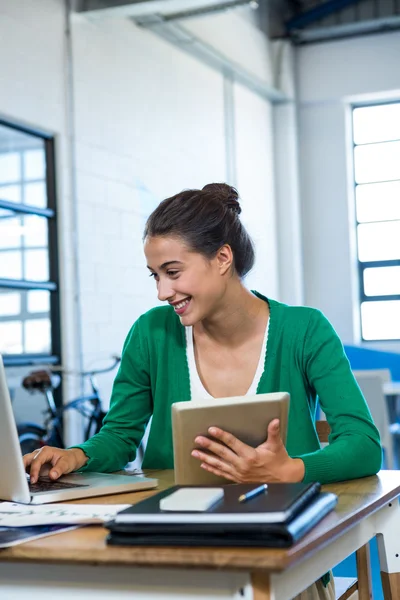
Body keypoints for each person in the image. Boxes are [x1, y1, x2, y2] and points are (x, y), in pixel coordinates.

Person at [24, 183, 381, 600]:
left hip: (276, 553)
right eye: (155, 276)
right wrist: (76, 455)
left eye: (173, 273)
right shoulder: (150, 332)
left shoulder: (304, 330)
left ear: (222, 258)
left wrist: (289, 471)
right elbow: (121, 436)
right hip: (167, 548)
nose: (162, 291)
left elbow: (363, 444)